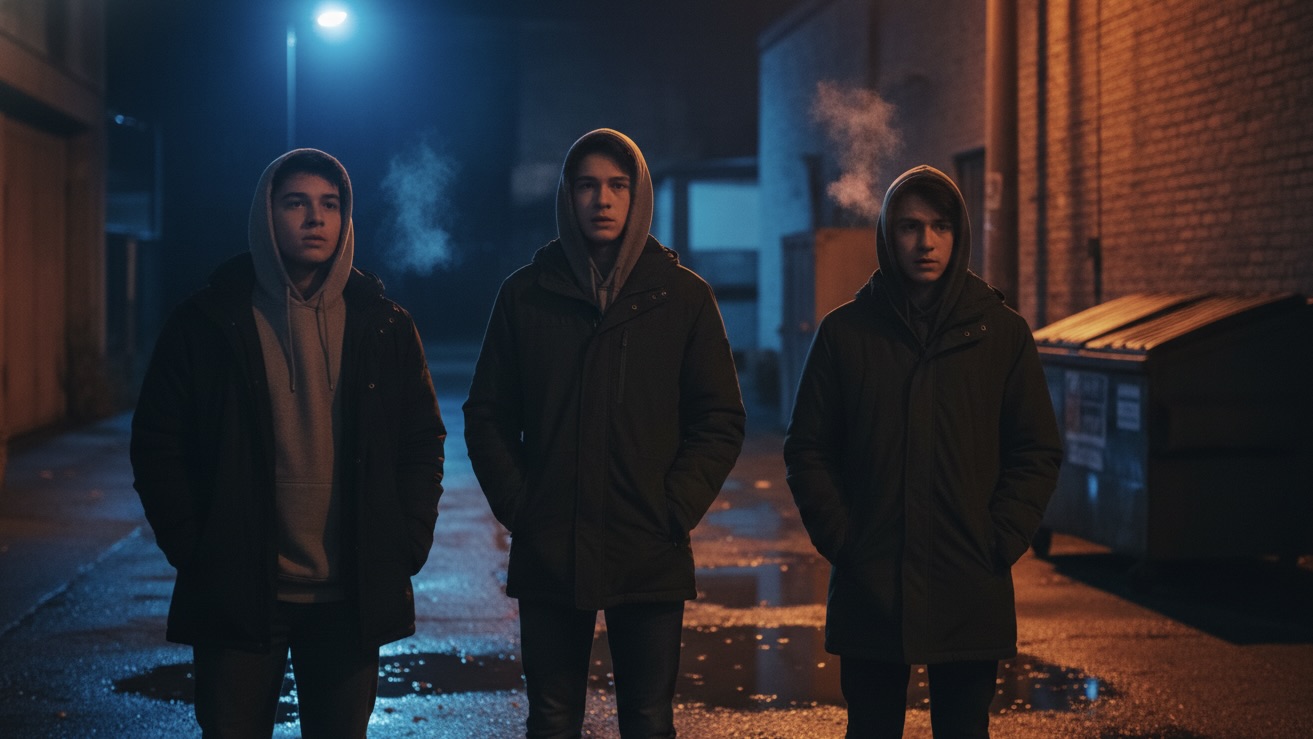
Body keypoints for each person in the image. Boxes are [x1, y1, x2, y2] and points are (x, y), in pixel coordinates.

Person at [131, 148, 446, 738]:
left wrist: (403, 542)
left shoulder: (385, 325)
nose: (315, 218)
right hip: (239, 590)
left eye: (330, 205)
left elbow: (421, 441)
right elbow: (158, 443)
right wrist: (196, 546)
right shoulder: (207, 322)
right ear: (265, 214)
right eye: (296, 203)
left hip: (350, 594)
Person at [463, 128, 746, 738]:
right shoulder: (525, 295)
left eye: (618, 186)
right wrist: (524, 508)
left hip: (649, 543)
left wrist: (674, 508)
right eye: (588, 185)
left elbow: (719, 417)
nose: (603, 200)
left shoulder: (683, 297)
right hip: (551, 543)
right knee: (553, 718)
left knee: (647, 721)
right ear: (567, 196)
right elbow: (486, 413)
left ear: (637, 194)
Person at [783, 165, 1062, 738]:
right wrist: (845, 539)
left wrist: (1000, 538)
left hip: (968, 581)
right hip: (872, 584)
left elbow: (1035, 449)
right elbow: (808, 448)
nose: (925, 241)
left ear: (959, 234)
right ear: (888, 234)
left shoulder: (1000, 334)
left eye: (940, 226)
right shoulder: (846, 333)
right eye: (910, 226)